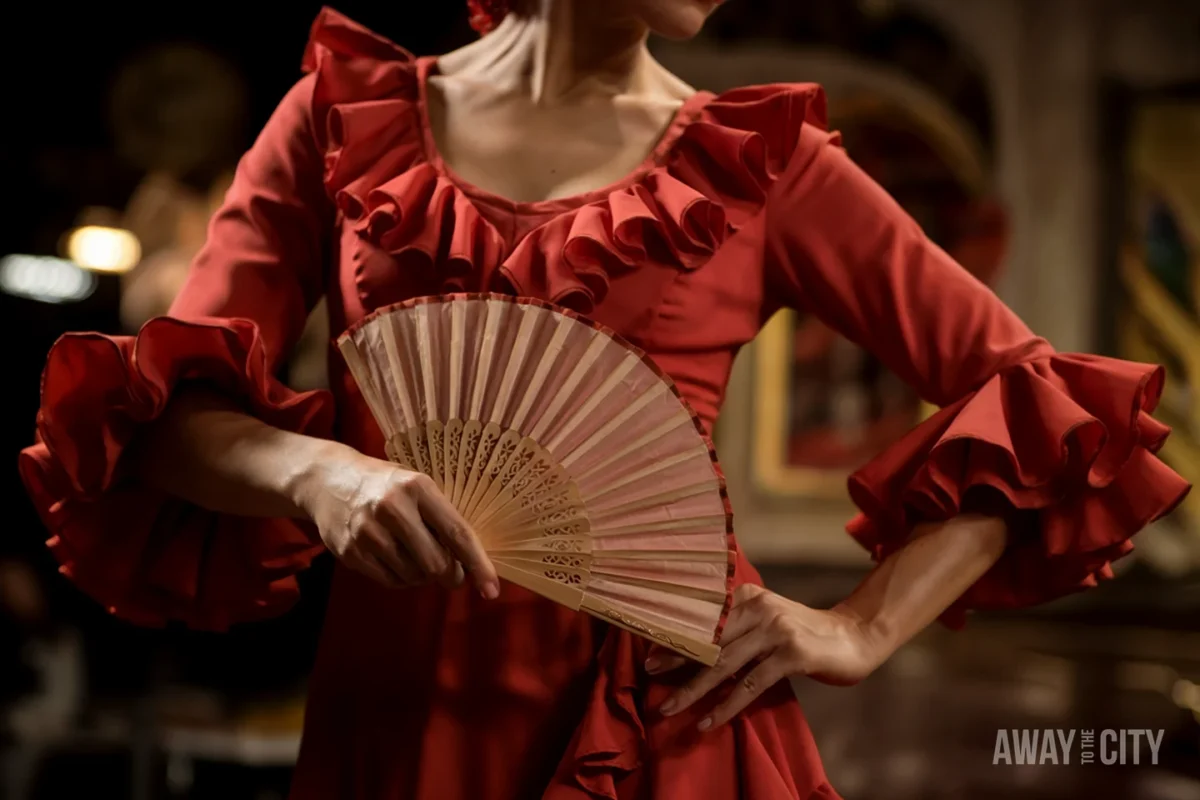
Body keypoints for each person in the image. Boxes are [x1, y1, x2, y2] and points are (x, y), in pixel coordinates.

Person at [18, 3, 1191, 798]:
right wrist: (321, 472)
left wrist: (861, 626)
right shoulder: (341, 118)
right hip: (393, 710)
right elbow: (160, 416)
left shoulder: (761, 166)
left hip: (666, 716)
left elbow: (1047, 408)